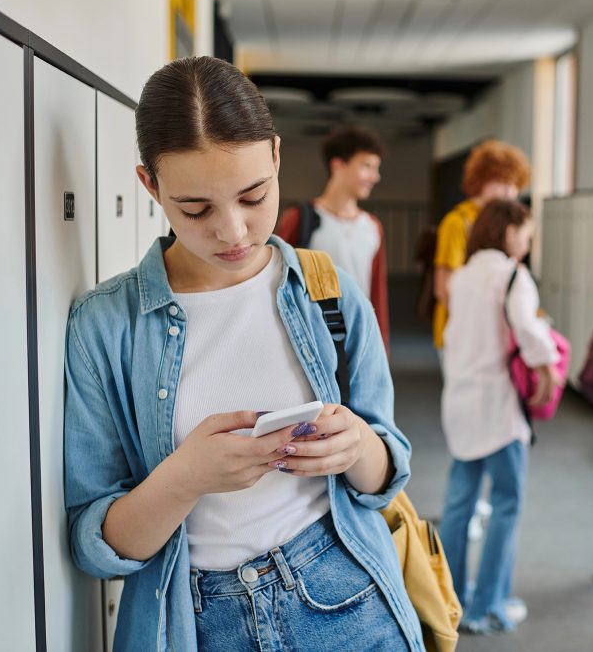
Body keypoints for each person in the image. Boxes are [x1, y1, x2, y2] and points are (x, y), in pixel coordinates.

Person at [63, 57, 421, 652]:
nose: (233, 231)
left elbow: (387, 472)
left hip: (345, 596)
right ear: (150, 186)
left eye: (254, 196)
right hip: (198, 621)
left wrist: (356, 444)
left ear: (277, 158)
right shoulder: (104, 325)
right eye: (196, 209)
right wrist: (185, 479)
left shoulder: (326, 288)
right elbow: (94, 543)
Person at [437, 199, 561, 635]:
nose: (526, 244)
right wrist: (546, 365)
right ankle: (489, 606)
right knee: (507, 502)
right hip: (499, 408)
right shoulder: (512, 275)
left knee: (458, 507)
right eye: (525, 234)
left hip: (461, 404)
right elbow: (527, 328)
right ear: (508, 232)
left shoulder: (464, 276)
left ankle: (450, 601)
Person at [274, 125, 390, 350]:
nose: (375, 177)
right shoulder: (299, 218)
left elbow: (377, 292)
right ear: (338, 165)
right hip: (310, 335)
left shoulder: (373, 227)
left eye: (376, 168)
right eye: (367, 166)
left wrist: (381, 344)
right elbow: (278, 278)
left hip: (357, 335)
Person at [432, 139, 531, 352]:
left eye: (514, 185)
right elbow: (444, 288)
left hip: (494, 331)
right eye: (502, 182)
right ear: (481, 181)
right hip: (461, 329)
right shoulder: (457, 222)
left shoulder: (506, 223)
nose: (509, 192)